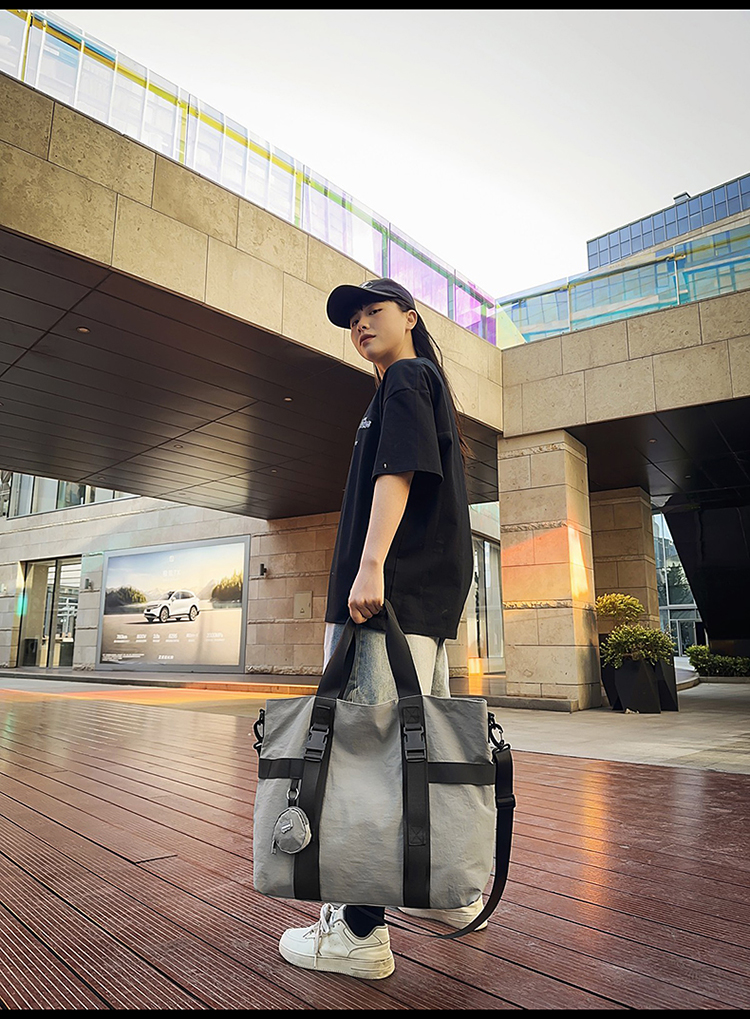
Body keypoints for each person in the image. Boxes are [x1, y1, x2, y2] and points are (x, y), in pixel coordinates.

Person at [278, 278, 483, 980]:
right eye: (353, 317)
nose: (361, 323)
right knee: (415, 751)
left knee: (363, 757)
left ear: (411, 317)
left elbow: (399, 473)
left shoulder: (405, 378)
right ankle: (446, 889)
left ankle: (358, 931)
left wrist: (369, 569)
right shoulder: (417, 386)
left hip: (384, 605)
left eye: (375, 310)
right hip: (415, 607)